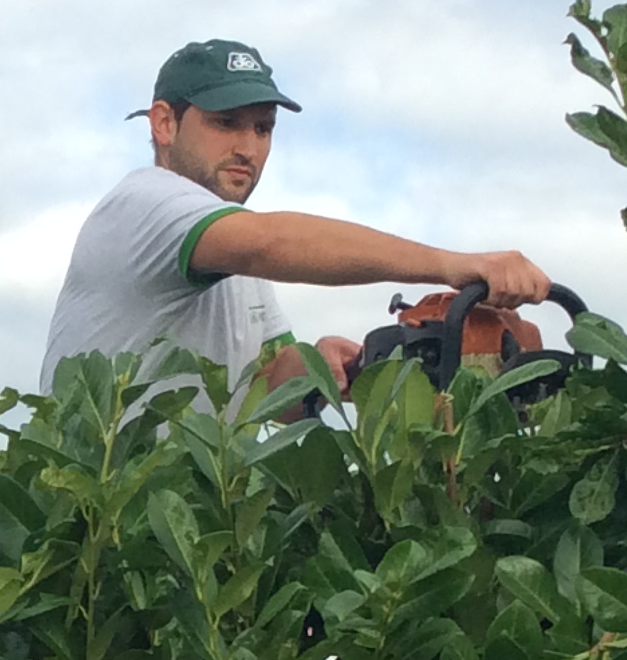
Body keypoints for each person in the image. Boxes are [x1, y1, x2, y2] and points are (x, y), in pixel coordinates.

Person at [38, 38, 554, 400]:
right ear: (165, 123)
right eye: (225, 123)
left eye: (263, 128)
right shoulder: (144, 203)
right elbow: (269, 242)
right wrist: (452, 265)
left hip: (199, 526)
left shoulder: (234, 254)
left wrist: (321, 367)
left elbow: (264, 390)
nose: (247, 146)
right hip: (101, 526)